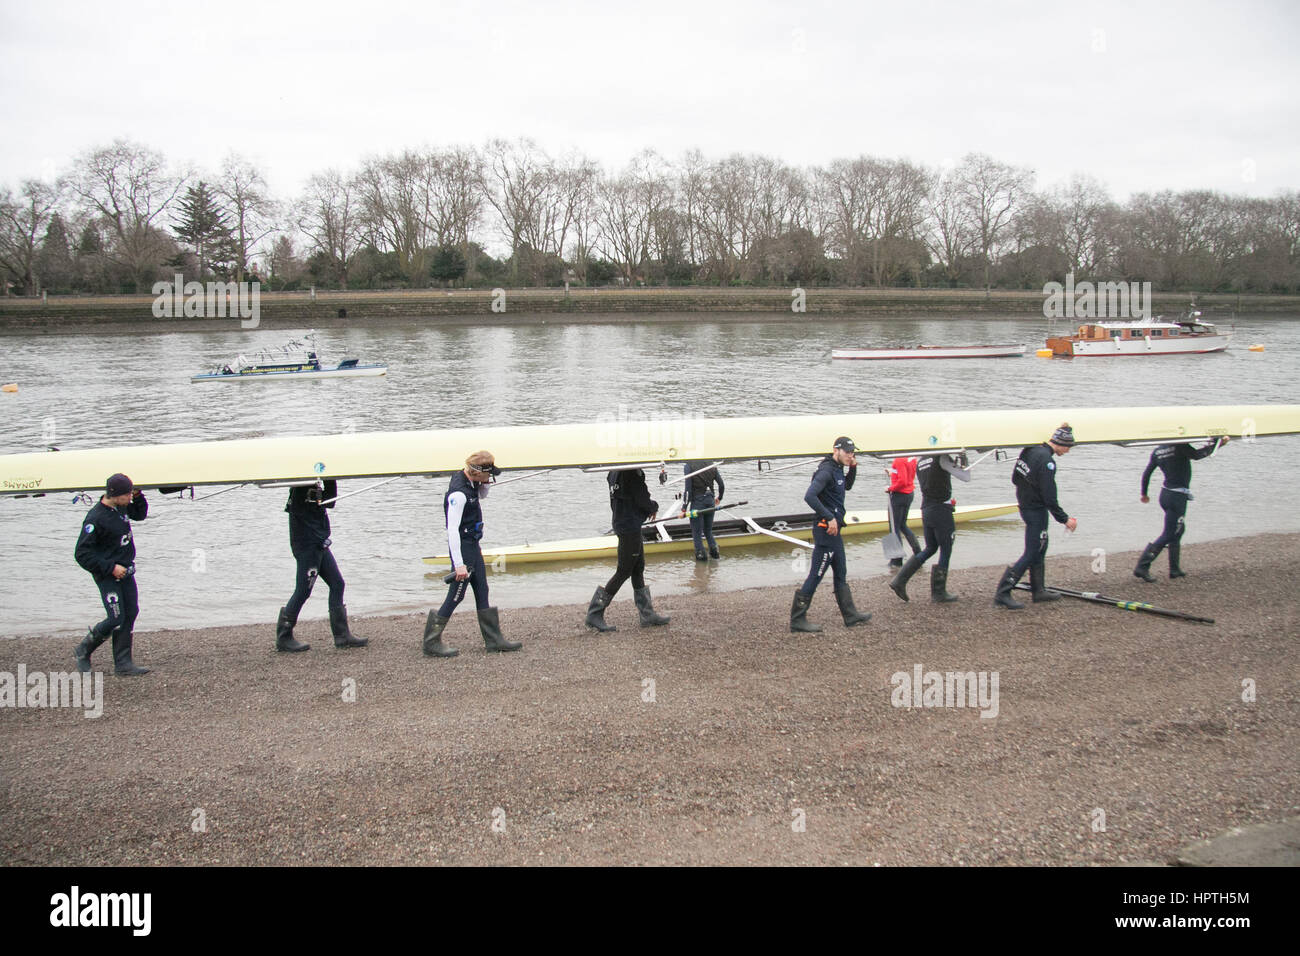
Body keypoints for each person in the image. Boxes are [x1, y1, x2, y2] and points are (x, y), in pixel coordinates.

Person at [423, 451, 521, 658]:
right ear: (477, 473)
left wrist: (484, 485)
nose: (490, 478)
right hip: (464, 548)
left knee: (482, 589)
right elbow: (452, 531)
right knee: (456, 596)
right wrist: (458, 564)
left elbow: (482, 495)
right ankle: (431, 641)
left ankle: (493, 640)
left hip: (473, 545)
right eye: (488, 475)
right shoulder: (458, 495)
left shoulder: (471, 482)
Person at [791, 437, 872, 632]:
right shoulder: (826, 471)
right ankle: (797, 620)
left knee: (841, 572)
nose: (850, 455)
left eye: (853, 453)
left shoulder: (838, 468)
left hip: (835, 532)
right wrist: (829, 517)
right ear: (836, 450)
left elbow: (847, 486)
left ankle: (850, 615)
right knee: (816, 575)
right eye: (847, 452)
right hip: (825, 530)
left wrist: (853, 467)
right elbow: (809, 496)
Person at [276, 479, 368, 652]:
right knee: (303, 590)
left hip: (318, 544)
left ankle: (342, 636)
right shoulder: (299, 491)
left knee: (337, 584)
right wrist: (319, 540)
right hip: (308, 546)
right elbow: (304, 518)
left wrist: (330, 477)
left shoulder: (311, 486)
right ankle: (284, 636)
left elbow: (330, 502)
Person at [73, 473, 151, 676]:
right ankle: (83, 650)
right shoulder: (95, 518)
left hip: (126, 571)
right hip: (108, 574)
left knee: (131, 613)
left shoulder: (121, 506)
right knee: (116, 617)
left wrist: (139, 496)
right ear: (115, 494)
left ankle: (123, 663)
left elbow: (139, 514)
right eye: (128, 495)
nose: (129, 498)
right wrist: (110, 567)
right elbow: (82, 554)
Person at [994, 424, 1078, 610]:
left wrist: (1028, 490)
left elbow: (1015, 478)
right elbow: (1049, 496)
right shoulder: (1047, 462)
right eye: (1068, 447)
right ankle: (1003, 592)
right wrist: (1065, 519)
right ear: (1061, 443)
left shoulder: (1029, 450)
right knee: (1032, 551)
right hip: (1035, 510)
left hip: (1025, 505)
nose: (1068, 451)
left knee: (1041, 546)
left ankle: (1038, 590)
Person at [585, 466, 670, 632]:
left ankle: (647, 614)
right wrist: (653, 507)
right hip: (629, 525)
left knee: (638, 568)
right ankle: (595, 613)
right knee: (623, 571)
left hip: (623, 522)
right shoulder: (632, 472)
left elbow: (621, 498)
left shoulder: (613, 471)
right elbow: (641, 498)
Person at [1134, 437, 1229, 581]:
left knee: (1178, 530)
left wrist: (1144, 494)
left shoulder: (1158, 451)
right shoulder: (1180, 446)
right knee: (1169, 533)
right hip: (1177, 496)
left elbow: (1146, 473)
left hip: (1165, 495)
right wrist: (1218, 444)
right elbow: (1197, 455)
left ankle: (1174, 569)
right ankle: (1142, 566)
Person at [888, 453, 966, 603]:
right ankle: (939, 592)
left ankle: (899, 581)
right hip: (941, 508)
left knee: (930, 547)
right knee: (946, 548)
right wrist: (963, 460)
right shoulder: (941, 457)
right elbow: (965, 477)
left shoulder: (921, 460)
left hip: (927, 508)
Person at [680, 460, 725, 560]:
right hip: (710, 501)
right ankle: (715, 556)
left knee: (697, 533)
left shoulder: (688, 466)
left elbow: (688, 489)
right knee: (708, 530)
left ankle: (701, 564)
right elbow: (721, 485)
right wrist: (720, 497)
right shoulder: (711, 464)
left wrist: (684, 508)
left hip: (698, 503)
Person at [885, 456, 922, 567]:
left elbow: (902, 481)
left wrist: (889, 488)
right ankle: (918, 553)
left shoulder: (899, 460)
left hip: (899, 496)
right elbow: (905, 474)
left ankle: (896, 560)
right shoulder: (911, 458)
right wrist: (892, 473)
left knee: (894, 527)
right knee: (902, 525)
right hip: (909, 494)